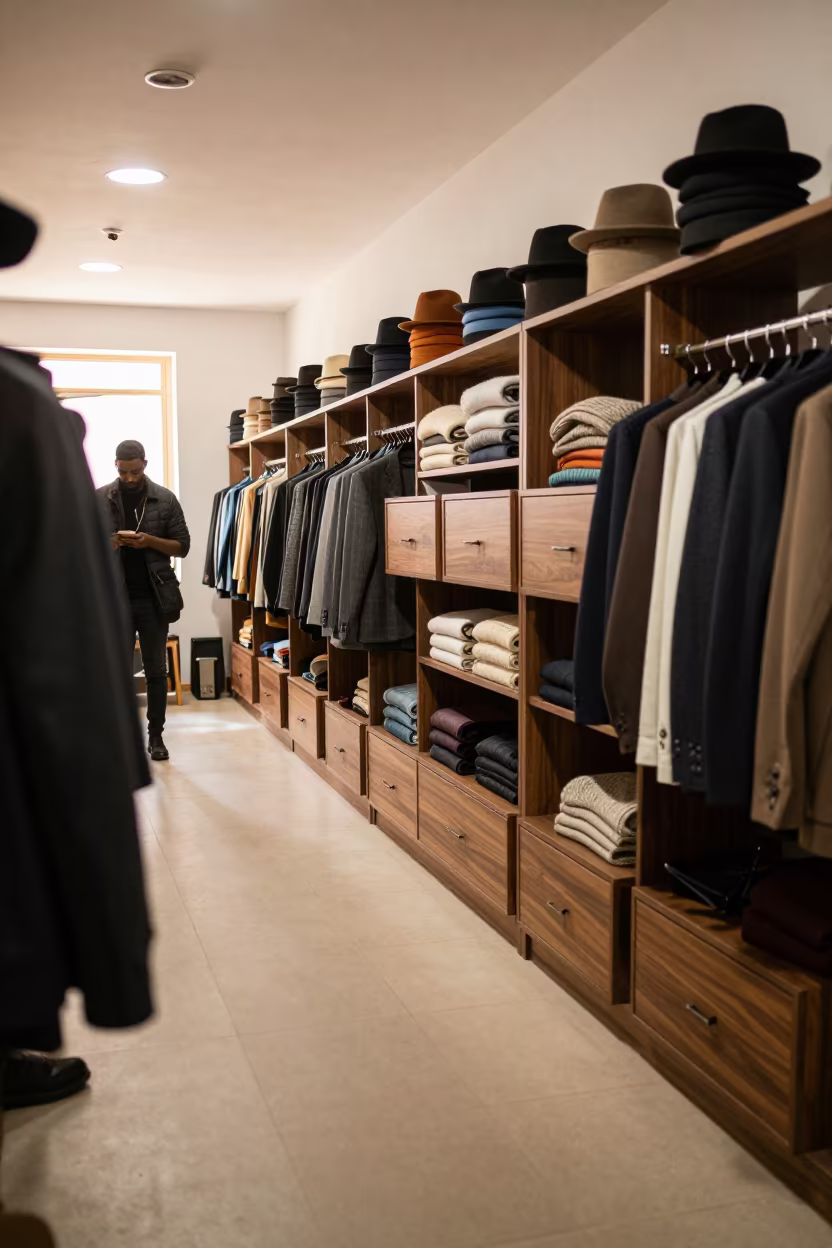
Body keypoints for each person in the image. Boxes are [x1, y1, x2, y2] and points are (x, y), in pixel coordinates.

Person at [97, 441, 190, 761]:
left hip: (154, 598)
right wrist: (107, 544)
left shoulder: (164, 499)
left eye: (135, 471)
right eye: (124, 472)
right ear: (115, 465)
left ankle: (156, 737)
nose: (131, 478)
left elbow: (182, 547)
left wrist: (148, 541)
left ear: (145, 464)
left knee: (155, 671)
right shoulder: (99, 499)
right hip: (112, 598)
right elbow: (79, 545)